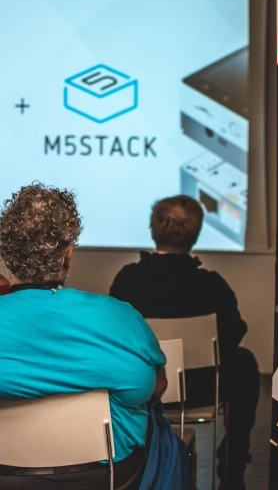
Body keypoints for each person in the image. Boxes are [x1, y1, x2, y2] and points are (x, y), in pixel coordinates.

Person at [0, 183, 169, 489]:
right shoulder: (121, 317)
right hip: (113, 477)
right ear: (68, 255)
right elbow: (156, 386)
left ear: (7, 257)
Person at [110, 195, 259, 490]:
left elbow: (116, 338)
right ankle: (233, 462)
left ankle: (129, 459)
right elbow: (233, 336)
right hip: (203, 389)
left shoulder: (128, 281)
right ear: (196, 233)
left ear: (154, 228)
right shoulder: (212, 285)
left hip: (147, 389)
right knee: (244, 362)